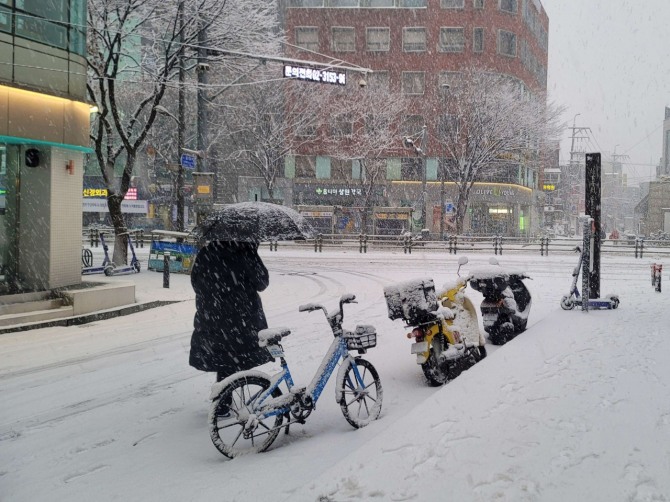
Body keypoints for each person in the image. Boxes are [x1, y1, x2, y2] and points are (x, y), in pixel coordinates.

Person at [189, 240, 273, 383]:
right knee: (236, 358)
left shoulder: (206, 252)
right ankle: (226, 398)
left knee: (224, 360)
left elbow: (196, 284)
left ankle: (223, 397)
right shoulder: (245, 252)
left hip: (212, 318)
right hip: (242, 320)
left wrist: (214, 297)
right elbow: (262, 282)